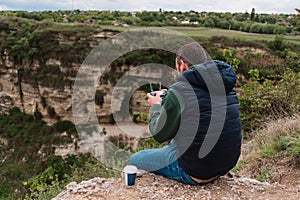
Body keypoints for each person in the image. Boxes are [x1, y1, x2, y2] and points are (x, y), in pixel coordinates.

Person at [129, 42, 242, 185]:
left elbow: (159, 134)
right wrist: (170, 96)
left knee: (135, 159)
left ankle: (177, 165)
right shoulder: (226, 85)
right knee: (176, 138)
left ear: (182, 65)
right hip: (225, 163)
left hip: (197, 171)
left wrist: (156, 106)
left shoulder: (180, 91)